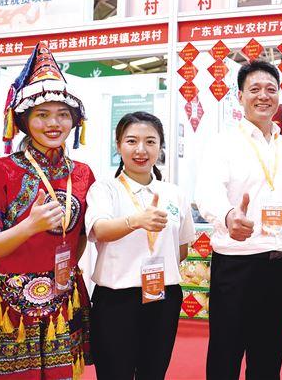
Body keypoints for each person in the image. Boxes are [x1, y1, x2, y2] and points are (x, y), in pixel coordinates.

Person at [0, 41, 94, 379]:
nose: (54, 123)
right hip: (9, 304)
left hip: (64, 298)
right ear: (24, 120)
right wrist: (29, 227)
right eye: (42, 114)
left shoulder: (83, 174)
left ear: (74, 121)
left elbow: (80, 237)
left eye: (63, 114)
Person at [195, 60, 282, 380]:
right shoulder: (223, 142)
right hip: (237, 264)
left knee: (269, 357)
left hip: (279, 264)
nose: (263, 96)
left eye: (271, 89)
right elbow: (206, 191)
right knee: (225, 354)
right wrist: (228, 215)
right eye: (254, 89)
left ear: (279, 95)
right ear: (240, 96)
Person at [85, 112, 195, 379]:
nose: (141, 150)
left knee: (154, 372)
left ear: (160, 146)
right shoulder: (105, 189)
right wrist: (135, 221)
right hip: (117, 300)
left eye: (150, 142)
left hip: (163, 298)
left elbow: (181, 248)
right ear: (118, 145)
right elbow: (100, 230)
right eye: (132, 141)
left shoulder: (174, 193)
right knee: (114, 373)